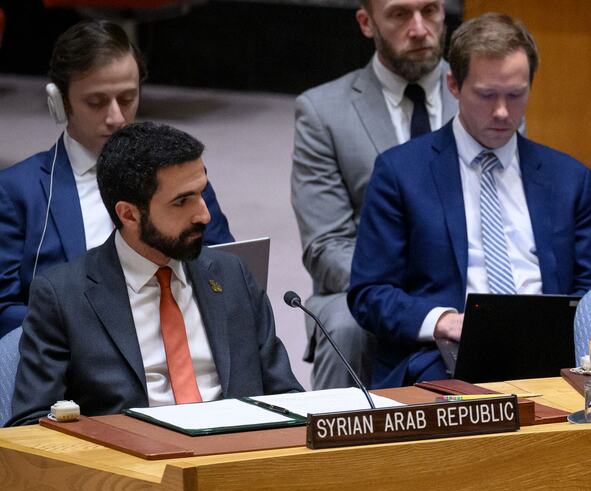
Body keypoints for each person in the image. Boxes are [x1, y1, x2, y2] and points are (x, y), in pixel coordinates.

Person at [349, 13, 591, 388]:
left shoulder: (568, 178)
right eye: (487, 95)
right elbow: (370, 294)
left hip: (552, 358)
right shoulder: (400, 173)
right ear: (453, 85)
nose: (502, 111)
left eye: (516, 95)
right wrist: (442, 320)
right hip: (445, 357)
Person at [5, 123, 300, 427]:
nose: (204, 215)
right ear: (129, 214)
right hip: (129, 453)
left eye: (201, 193)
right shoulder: (63, 296)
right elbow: (31, 426)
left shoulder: (231, 274)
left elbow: (287, 398)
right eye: (182, 201)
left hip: (241, 449)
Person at [0, 21, 233, 337]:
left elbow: (227, 272)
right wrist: (79, 330)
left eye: (127, 98)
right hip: (73, 356)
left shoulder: (180, 173)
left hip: (177, 338)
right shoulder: (17, 192)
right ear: (59, 101)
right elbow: (4, 309)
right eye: (96, 102)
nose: (116, 118)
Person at [291, 0, 458, 390]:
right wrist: (399, 297)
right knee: (347, 326)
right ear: (366, 23)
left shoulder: (486, 95)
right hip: (366, 281)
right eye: (400, 14)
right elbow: (325, 245)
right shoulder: (322, 112)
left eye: (430, 10)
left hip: (464, 272)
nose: (419, 28)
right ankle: (335, 430)